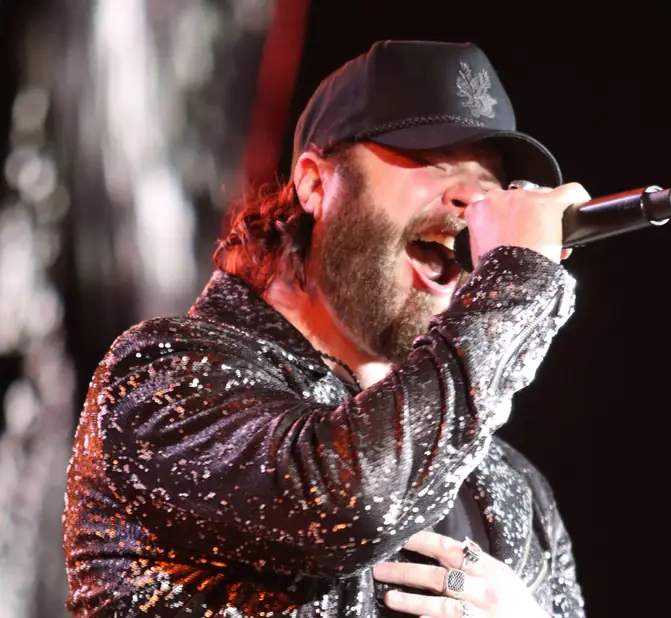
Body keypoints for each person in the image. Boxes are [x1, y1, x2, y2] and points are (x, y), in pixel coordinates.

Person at [63, 40, 588, 617]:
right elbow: (346, 501)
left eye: (494, 184)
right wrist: (514, 285)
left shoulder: (510, 485)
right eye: (434, 161)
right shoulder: (161, 379)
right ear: (315, 182)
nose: (472, 199)